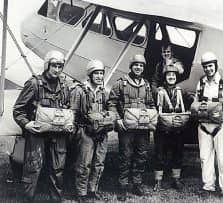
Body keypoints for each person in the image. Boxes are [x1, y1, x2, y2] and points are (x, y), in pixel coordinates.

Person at [13, 50, 70, 203]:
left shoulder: (64, 86)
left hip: (58, 134)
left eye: (60, 66)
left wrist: (68, 123)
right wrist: (27, 124)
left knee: (58, 168)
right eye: (54, 66)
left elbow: (68, 108)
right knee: (33, 167)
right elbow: (18, 110)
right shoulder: (33, 83)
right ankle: (28, 198)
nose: (57, 70)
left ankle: (55, 199)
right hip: (36, 133)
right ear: (47, 65)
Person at [191, 52, 223, 198]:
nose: (208, 69)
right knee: (204, 158)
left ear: (215, 65)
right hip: (204, 127)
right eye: (205, 66)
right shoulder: (201, 83)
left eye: (210, 66)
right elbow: (196, 100)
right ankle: (208, 186)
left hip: (221, 127)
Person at [108, 54, 156, 201]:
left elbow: (151, 104)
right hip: (127, 128)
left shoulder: (146, 85)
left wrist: (152, 118)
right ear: (131, 66)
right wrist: (118, 119)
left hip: (142, 128)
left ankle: (137, 183)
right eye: (136, 65)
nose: (138, 67)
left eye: (141, 65)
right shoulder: (120, 83)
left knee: (141, 155)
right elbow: (111, 103)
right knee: (125, 156)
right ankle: (122, 185)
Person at [71, 59, 113, 202]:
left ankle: (92, 189)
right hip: (86, 131)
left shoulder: (104, 92)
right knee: (84, 163)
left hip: (101, 132)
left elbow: (109, 109)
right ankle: (81, 192)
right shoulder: (80, 90)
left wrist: (108, 119)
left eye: (101, 73)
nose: (99, 76)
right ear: (90, 74)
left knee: (99, 162)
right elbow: (73, 112)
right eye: (96, 73)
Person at [153, 63, 189, 192]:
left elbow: (191, 102)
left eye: (173, 75)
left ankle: (176, 179)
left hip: (178, 129)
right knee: (159, 154)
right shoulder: (158, 91)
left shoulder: (182, 91)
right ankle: (158, 181)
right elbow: (152, 105)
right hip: (162, 129)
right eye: (169, 75)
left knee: (178, 153)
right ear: (165, 77)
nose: (171, 77)